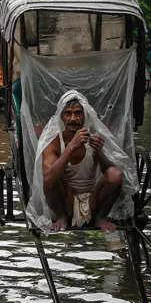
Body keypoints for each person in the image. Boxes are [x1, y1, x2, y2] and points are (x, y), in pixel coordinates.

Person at [41, 91, 124, 232]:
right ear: (61, 117)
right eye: (68, 113)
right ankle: (62, 217)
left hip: (93, 199)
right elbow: (48, 179)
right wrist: (70, 148)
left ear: (85, 115)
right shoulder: (54, 143)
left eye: (78, 113)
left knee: (116, 175)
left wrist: (99, 152)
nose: (73, 118)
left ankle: (100, 217)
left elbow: (110, 173)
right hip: (67, 200)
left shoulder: (92, 138)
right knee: (51, 178)